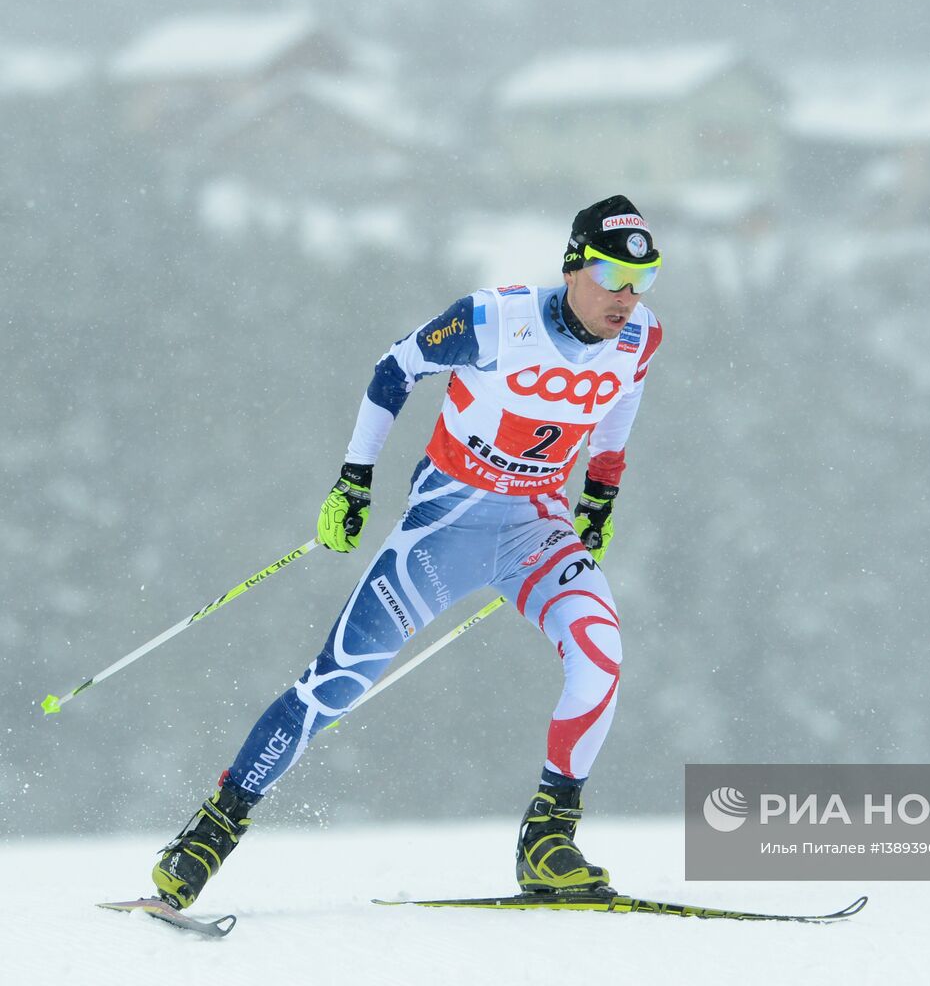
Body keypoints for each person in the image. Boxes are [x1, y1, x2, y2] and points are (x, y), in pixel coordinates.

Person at [151, 195, 664, 909]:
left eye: (643, 280)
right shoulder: (495, 319)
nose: (627, 297)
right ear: (574, 265)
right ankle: (211, 831)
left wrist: (601, 495)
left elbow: (619, 405)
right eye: (612, 276)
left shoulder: (639, 337)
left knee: (600, 656)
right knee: (334, 685)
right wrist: (353, 481)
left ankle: (548, 841)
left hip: (534, 530)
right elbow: (393, 370)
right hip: (442, 531)